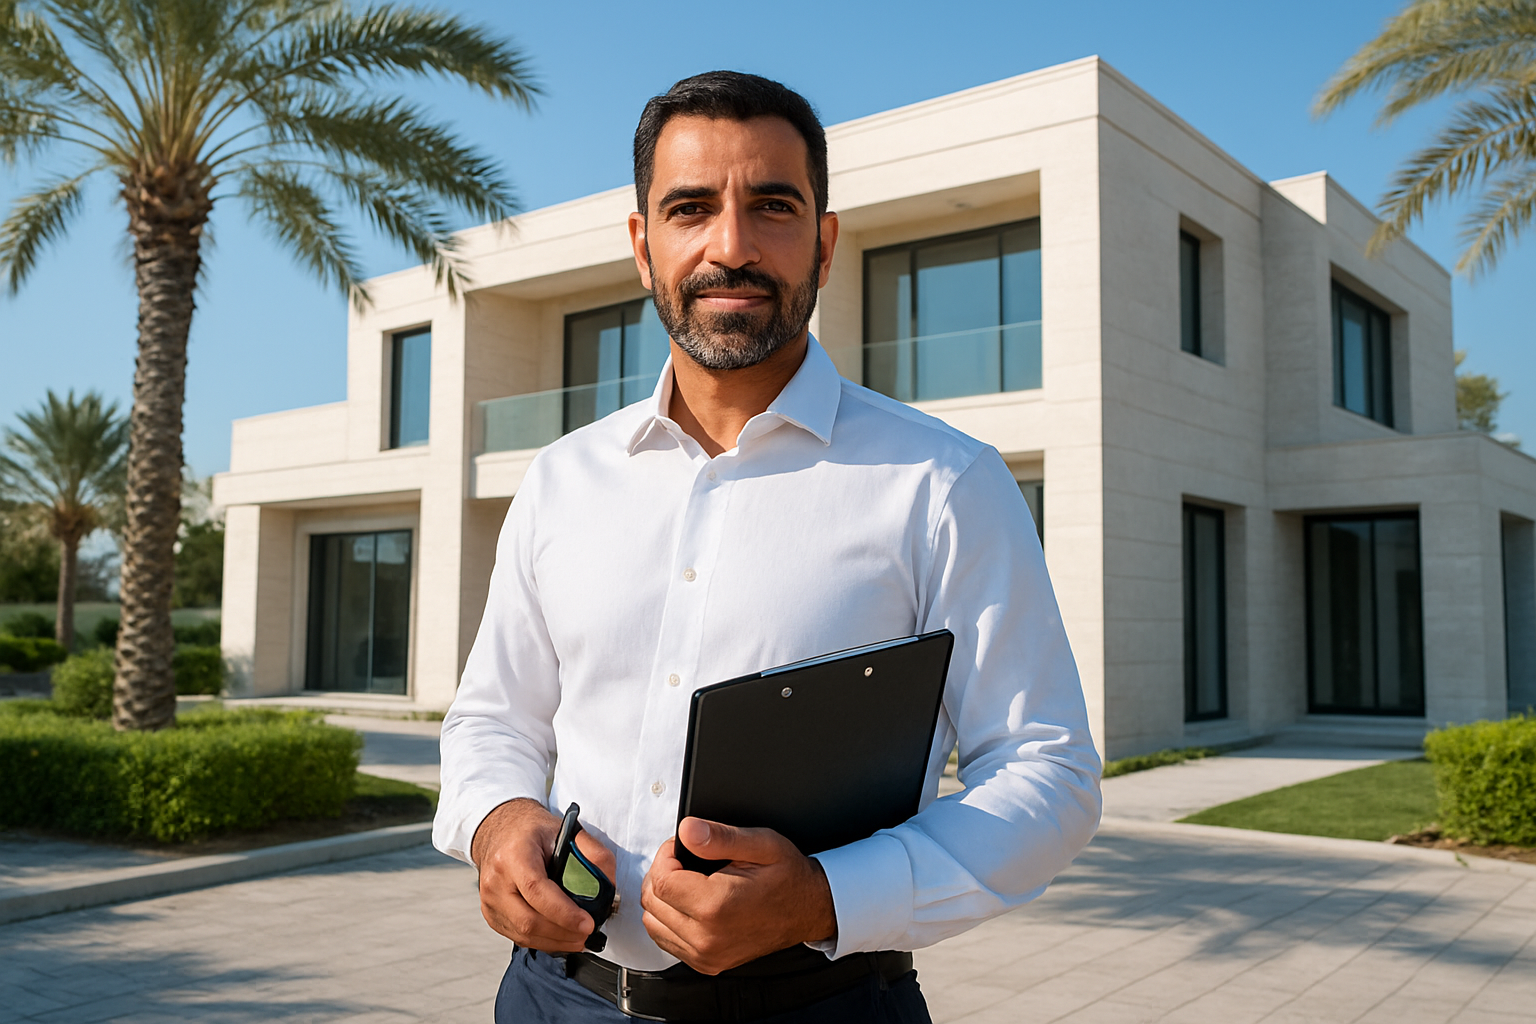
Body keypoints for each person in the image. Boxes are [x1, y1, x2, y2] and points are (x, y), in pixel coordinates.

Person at [433, 71, 1102, 1023]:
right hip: (552, 1000)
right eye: (691, 208)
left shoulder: (944, 485)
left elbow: (1050, 772)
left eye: (773, 207)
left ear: (824, 245)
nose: (731, 246)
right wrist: (499, 823)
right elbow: (492, 722)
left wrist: (826, 895)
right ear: (643, 246)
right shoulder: (560, 482)